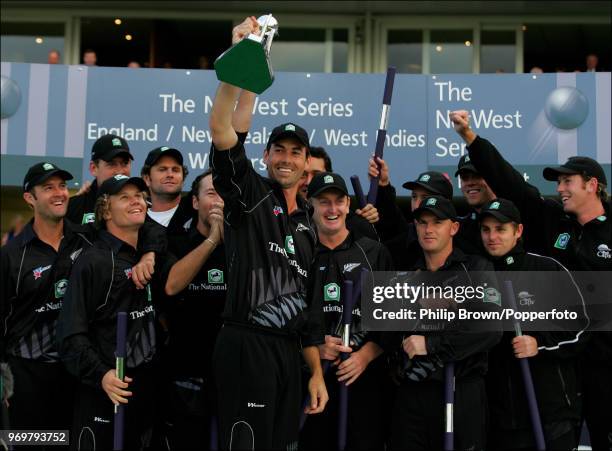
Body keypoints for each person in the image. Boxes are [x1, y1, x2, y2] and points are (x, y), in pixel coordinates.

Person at [450, 109, 611, 451]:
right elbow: (510, 183)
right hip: (555, 361)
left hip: (603, 361)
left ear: (592, 185)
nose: (560, 188)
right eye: (558, 182)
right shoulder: (552, 220)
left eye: (568, 181)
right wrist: (470, 139)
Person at [207, 16, 328, 450]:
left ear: (306, 164)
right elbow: (225, 130)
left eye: (296, 153)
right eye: (279, 149)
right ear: (267, 153)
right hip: (245, 344)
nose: (287, 158)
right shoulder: (251, 194)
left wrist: (315, 372)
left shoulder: (308, 224)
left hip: (288, 353)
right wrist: (239, 70)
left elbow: (309, 312)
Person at [56, 175, 172, 450]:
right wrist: (103, 375)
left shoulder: (146, 252)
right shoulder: (93, 261)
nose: (136, 201)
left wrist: (150, 254)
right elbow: (70, 334)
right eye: (125, 197)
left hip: (144, 389)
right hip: (104, 392)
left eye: (139, 196)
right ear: (106, 210)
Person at [389, 195, 500, 451]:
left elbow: (490, 329)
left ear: (454, 228)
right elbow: (392, 334)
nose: (428, 230)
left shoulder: (475, 269)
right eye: (422, 223)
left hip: (461, 390)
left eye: (437, 222)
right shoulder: (405, 277)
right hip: (412, 394)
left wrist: (432, 342)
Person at [479, 198, 588, 450]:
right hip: (501, 418)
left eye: (500, 229)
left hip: (550, 413)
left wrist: (539, 344)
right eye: (486, 229)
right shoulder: (478, 275)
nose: (492, 236)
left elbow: (582, 327)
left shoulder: (546, 268)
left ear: (518, 231)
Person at [299, 172, 394, 450]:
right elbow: (286, 314)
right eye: (324, 202)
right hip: (311, 379)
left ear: (348, 204)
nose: (332, 209)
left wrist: (365, 355)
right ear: (310, 204)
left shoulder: (374, 252)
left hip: (362, 379)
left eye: (338, 201)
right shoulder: (297, 252)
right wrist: (312, 348)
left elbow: (393, 320)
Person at [1, 162, 93, 438]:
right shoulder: (12, 254)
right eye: (48, 187)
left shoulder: (86, 240)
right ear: (30, 197)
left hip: (76, 372)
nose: (59, 193)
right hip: (26, 375)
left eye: (63, 186)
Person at [157, 170, 226, 449]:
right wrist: (212, 241)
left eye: (223, 194)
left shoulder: (244, 246)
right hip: (186, 372)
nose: (219, 201)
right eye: (211, 193)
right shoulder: (174, 240)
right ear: (195, 202)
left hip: (230, 371)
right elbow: (171, 286)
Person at [298, 145, 381, 240]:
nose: (308, 182)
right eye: (302, 175)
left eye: (317, 174)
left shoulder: (356, 224)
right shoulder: (281, 218)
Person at [141, 146, 193, 232]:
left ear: (183, 179)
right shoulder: (137, 221)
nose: (170, 174)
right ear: (147, 179)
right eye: (162, 169)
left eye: (175, 170)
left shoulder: (196, 211)